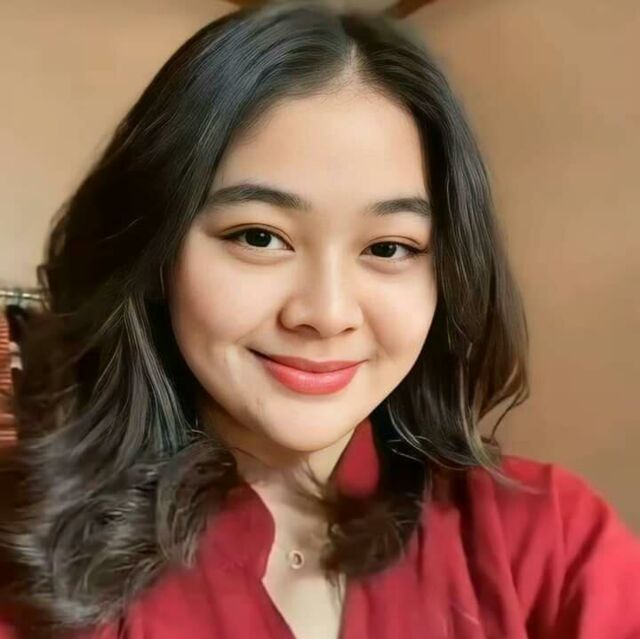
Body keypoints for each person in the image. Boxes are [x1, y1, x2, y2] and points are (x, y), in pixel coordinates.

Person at [1, 1, 639, 637]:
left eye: (389, 247)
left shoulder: (551, 541)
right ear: (153, 253)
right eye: (259, 236)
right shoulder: (26, 556)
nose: (328, 314)